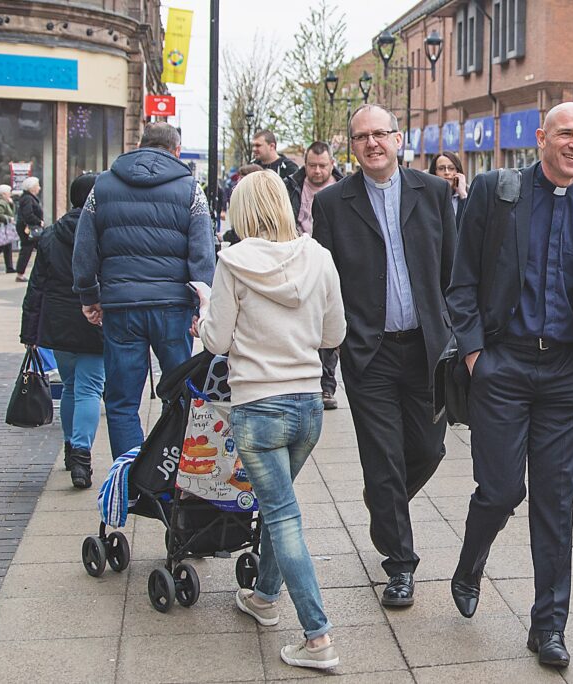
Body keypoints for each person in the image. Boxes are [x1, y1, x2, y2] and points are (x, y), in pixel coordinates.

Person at [446, 102, 573, 668]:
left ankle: (548, 626)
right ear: (542, 137)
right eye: (566, 133)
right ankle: (471, 562)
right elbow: (462, 281)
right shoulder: (497, 192)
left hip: (567, 374)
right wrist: (476, 355)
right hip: (504, 367)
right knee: (499, 491)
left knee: (556, 501)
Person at [196, 170, 345, 671]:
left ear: (241, 211)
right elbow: (334, 335)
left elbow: (216, 341)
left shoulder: (233, 262)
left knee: (282, 516)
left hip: (257, 406)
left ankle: (318, 638)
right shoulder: (318, 256)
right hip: (306, 406)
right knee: (282, 508)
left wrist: (205, 311)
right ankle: (262, 597)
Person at [312, 104, 455, 608]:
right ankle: (400, 564)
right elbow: (324, 282)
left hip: (425, 350)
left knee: (429, 450)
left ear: (397, 139)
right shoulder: (333, 203)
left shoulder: (433, 192)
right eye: (361, 136)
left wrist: (456, 335)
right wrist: (333, 346)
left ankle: (381, 499)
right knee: (383, 457)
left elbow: (452, 271)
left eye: (380, 134)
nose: (372, 143)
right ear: (352, 146)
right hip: (368, 353)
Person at [73, 122, 215, 467]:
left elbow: (84, 247)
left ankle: (129, 476)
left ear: (139, 145)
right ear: (176, 150)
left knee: (122, 402)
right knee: (179, 393)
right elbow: (202, 253)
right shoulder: (190, 189)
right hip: (172, 307)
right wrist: (202, 304)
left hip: (121, 306)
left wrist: (89, 295)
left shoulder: (102, 186)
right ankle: (171, 471)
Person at [22, 174, 103, 489]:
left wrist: (30, 331)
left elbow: (36, 286)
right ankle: (81, 455)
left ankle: (70, 448)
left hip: (58, 322)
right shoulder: (103, 232)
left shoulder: (52, 234)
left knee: (70, 386)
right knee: (90, 389)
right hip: (94, 319)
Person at [284, 141, 344, 411]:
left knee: (329, 323)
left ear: (332, 164)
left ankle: (326, 385)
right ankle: (304, 380)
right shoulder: (292, 187)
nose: (317, 171)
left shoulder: (344, 188)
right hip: (299, 263)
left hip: (334, 263)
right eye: (312, 165)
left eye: (322, 165)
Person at [15, 176, 44, 282]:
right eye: (37, 186)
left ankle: (23, 272)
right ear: (32, 188)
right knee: (27, 249)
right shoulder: (28, 199)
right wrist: (38, 221)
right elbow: (28, 214)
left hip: (28, 227)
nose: (39, 188)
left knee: (37, 248)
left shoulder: (29, 198)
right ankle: (20, 273)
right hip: (28, 228)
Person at [428, 152, 469, 227]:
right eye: (441, 168)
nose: (447, 172)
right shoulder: (425, 196)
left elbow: (472, 222)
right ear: (434, 172)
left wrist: (463, 195)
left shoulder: (468, 194)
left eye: (451, 168)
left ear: (458, 172)